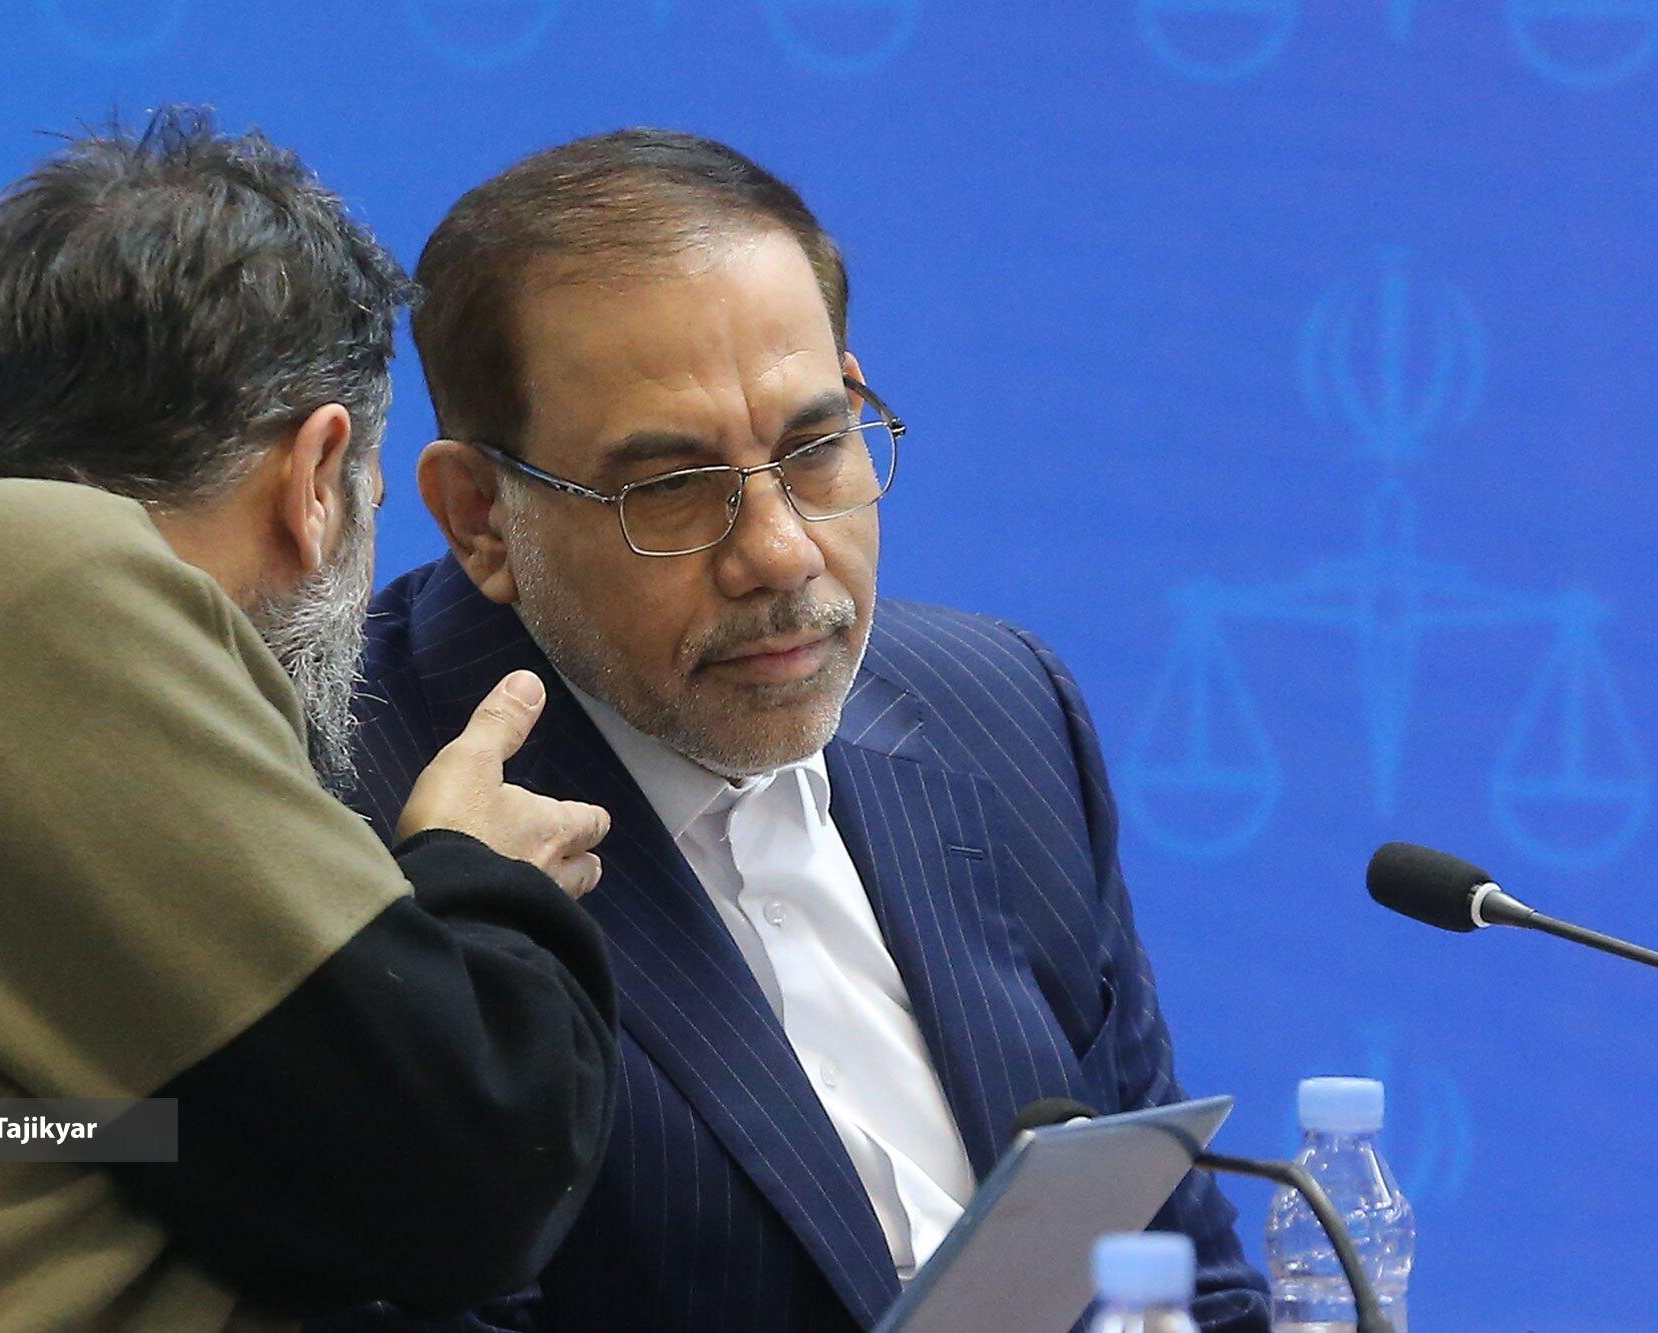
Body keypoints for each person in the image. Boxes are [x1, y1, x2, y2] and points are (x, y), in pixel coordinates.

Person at [0, 109, 617, 1330]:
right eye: (374, 498)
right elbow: (472, 1173)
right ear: (317, 477)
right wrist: (481, 876)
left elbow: (235, 1156)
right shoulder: (36, 581)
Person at [341, 130, 1272, 1331]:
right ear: (479, 516)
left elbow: (1182, 1280)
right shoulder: (342, 816)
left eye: (814, 447)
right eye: (669, 487)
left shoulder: (999, 711)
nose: (780, 552)